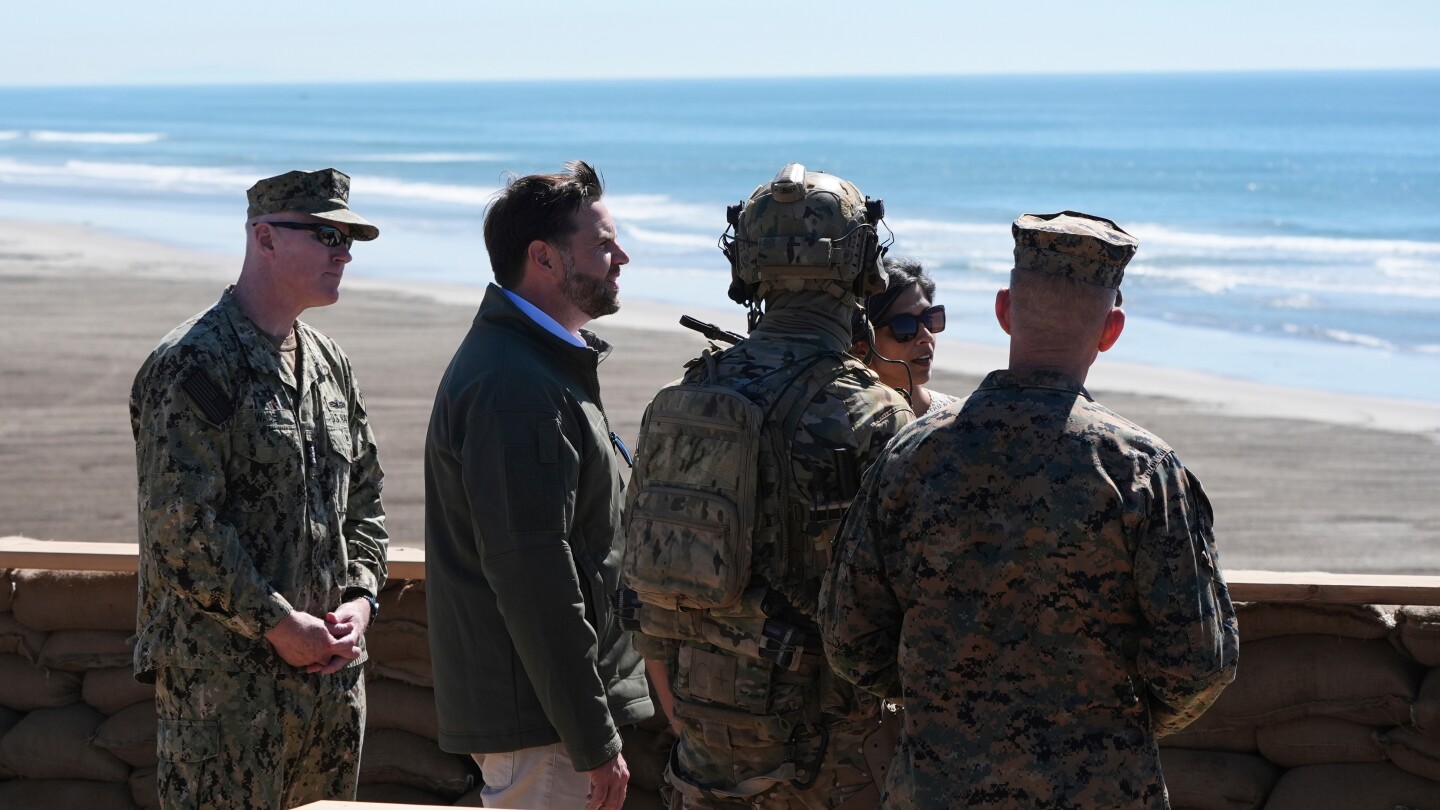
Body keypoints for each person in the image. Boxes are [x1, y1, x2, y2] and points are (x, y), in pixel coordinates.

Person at [820, 211, 1239, 808]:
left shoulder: (910, 456)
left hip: (938, 788)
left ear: (1005, 311)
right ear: (1111, 330)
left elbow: (849, 638)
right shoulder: (1142, 471)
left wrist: (949, 707)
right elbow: (1201, 660)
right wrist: (1106, 727)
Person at [623, 163, 914, 809]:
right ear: (863, 263)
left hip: (703, 755)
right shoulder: (873, 416)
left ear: (747, 263)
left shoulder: (690, 396)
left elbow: (644, 593)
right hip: (829, 761)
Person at [130, 168, 388, 809]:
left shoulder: (329, 363)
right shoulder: (196, 362)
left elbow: (366, 499)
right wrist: (277, 624)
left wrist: (359, 600)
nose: (344, 252)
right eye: (327, 234)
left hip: (327, 690)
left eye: (350, 238)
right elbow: (183, 529)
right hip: (226, 695)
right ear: (265, 237)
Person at [424, 160, 654, 810]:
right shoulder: (516, 389)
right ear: (544, 258)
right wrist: (590, 737)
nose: (622, 257)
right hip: (543, 729)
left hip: (547, 719)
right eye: (603, 244)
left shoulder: (539, 367)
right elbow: (534, 578)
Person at [850, 257, 957, 416]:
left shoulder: (958, 416)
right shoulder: (845, 428)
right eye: (904, 326)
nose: (926, 336)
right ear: (861, 347)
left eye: (929, 318)